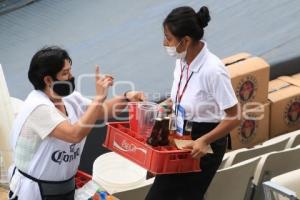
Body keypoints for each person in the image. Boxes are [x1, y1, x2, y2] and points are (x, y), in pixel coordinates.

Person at [8, 46, 144, 200]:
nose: (71, 77)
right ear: (48, 80)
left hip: (67, 187)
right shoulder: (37, 108)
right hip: (36, 193)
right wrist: (99, 98)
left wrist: (126, 97)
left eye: (70, 71)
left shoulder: (70, 99)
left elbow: (104, 110)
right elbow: (74, 134)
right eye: (65, 73)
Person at [146, 6, 240, 200]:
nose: (165, 43)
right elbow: (181, 96)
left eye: (168, 38)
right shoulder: (182, 62)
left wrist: (204, 140)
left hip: (204, 144)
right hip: (183, 136)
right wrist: (164, 106)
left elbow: (235, 116)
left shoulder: (213, 70)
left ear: (186, 41)